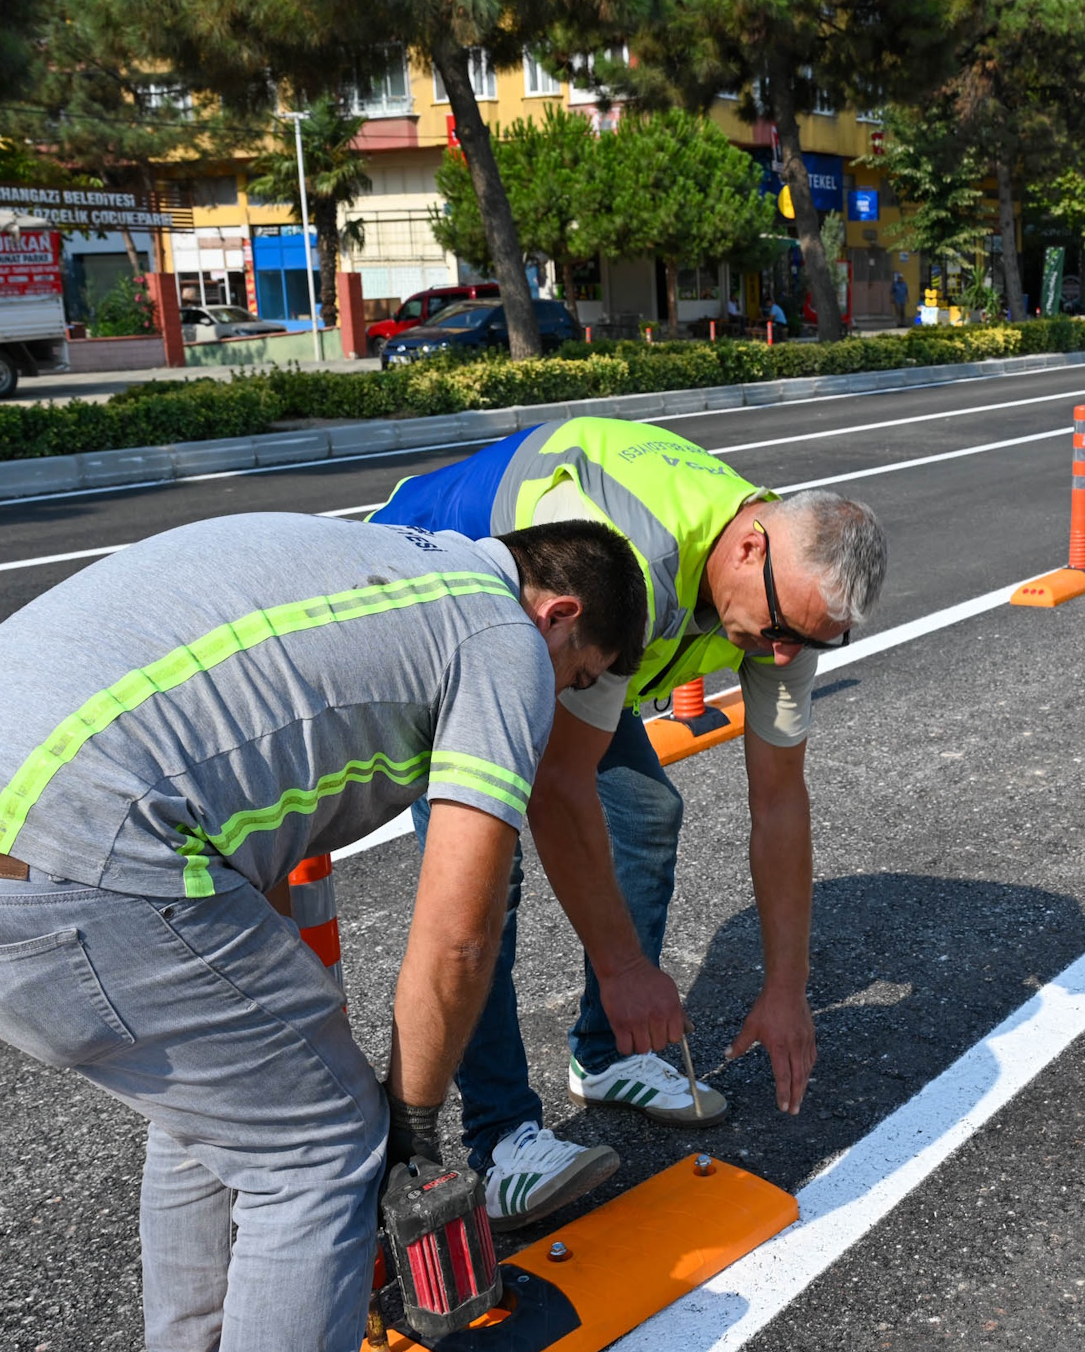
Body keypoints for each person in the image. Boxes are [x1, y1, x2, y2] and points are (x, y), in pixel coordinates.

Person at [0, 514, 647, 1352]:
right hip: (68, 854)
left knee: (230, 1099)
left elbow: (238, 783)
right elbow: (459, 936)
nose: (565, 698)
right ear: (559, 614)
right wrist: (409, 1128)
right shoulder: (502, 639)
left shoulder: (380, 560)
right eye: (580, 674)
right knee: (323, 1141)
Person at [370, 418, 885, 1225]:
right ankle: (499, 1140)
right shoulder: (633, 563)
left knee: (645, 809)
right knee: (482, 875)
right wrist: (624, 967)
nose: (783, 656)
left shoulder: (791, 597)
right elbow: (556, 788)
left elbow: (780, 800)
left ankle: (607, 1055)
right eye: (781, 634)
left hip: (569, 641)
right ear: (749, 547)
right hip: (441, 598)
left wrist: (786, 988)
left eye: (813, 642)